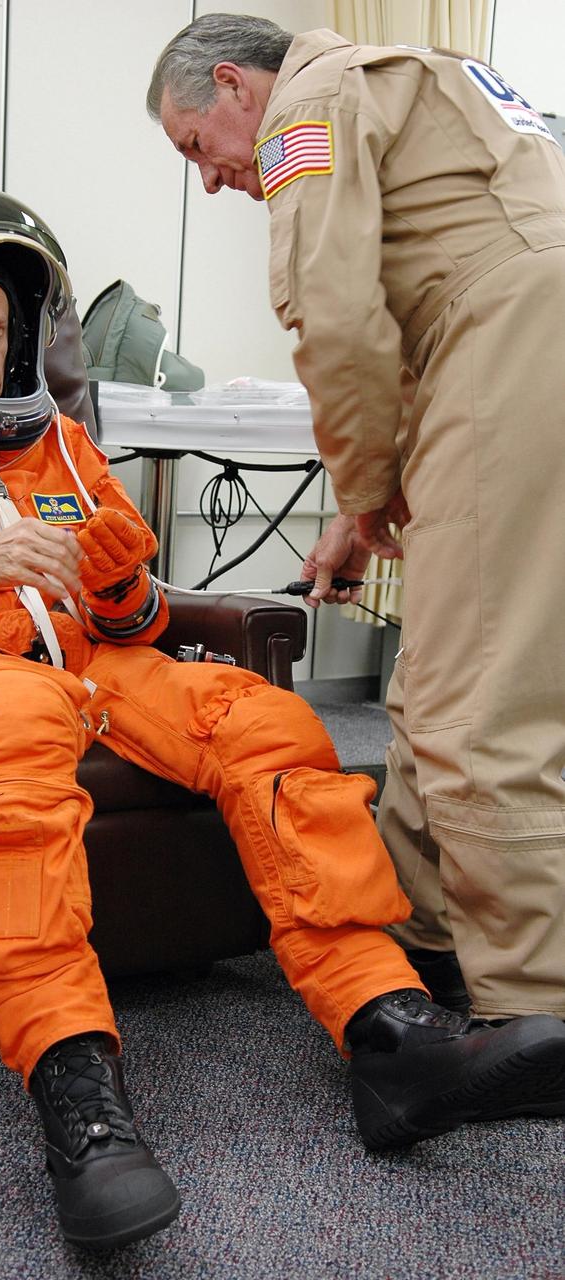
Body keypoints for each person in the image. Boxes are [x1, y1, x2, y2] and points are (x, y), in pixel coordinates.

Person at [0, 179, 565, 1252]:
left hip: (97, 668)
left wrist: (116, 575)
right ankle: (76, 1089)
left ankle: (388, 1029)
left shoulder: (61, 447)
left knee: (268, 724)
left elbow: (137, 611)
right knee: (11, 744)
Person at [148, 14, 565, 1030]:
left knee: (478, 704)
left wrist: (367, 482)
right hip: (513, 348)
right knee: (442, 668)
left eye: (195, 146)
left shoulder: (309, 109)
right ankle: (430, 940)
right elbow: (430, 310)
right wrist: (358, 498)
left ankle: (533, 1009)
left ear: (236, 88)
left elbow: (336, 317)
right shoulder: (420, 76)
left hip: (511, 350)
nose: (207, 180)